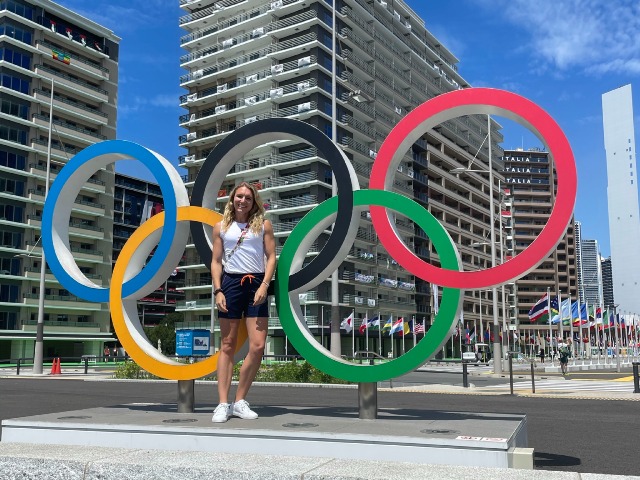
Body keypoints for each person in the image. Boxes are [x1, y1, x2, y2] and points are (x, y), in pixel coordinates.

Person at [210, 182, 276, 423]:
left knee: (257, 346)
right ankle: (222, 403)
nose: (243, 201)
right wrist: (218, 290)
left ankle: (239, 401)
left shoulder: (264, 225)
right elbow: (216, 261)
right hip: (230, 284)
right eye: (239, 196)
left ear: (254, 201)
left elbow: (271, 258)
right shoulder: (221, 227)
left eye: (248, 197)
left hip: (256, 284)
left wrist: (265, 285)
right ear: (232, 199)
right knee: (227, 344)